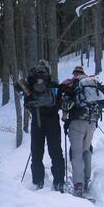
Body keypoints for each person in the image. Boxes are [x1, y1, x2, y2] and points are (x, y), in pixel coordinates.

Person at [60, 66, 104, 197]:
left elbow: (65, 103)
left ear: (75, 74)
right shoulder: (92, 86)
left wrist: (65, 117)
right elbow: (103, 103)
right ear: (84, 74)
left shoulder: (74, 85)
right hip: (91, 123)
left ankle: (78, 185)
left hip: (77, 123)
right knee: (86, 150)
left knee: (76, 153)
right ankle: (86, 181)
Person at [16, 60, 65, 192]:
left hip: (37, 122)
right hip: (53, 122)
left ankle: (38, 182)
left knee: (36, 152)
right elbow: (61, 102)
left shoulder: (30, 86)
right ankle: (59, 182)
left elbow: (17, 87)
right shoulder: (53, 85)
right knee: (56, 152)